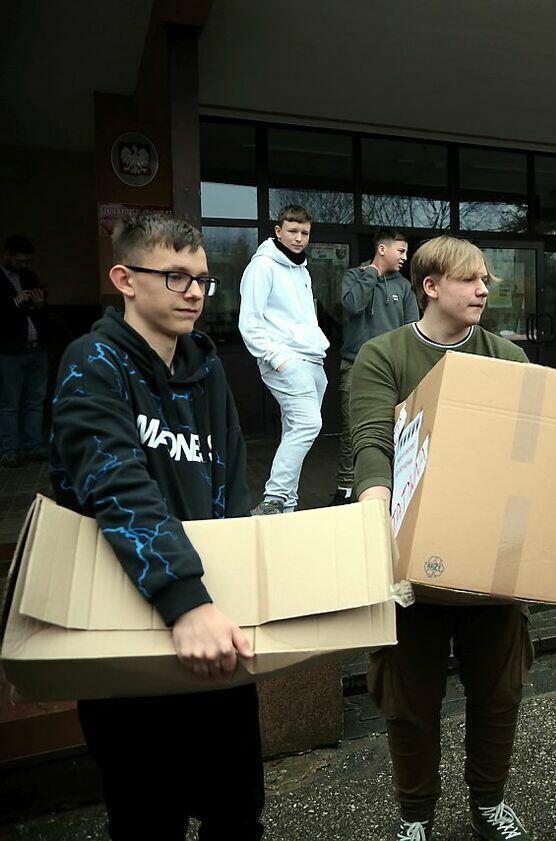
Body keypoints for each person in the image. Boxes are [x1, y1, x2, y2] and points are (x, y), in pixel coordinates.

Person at [48, 212, 263, 839]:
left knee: (237, 811)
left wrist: (235, 587)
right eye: (175, 277)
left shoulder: (208, 367)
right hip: (132, 619)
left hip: (213, 622)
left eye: (202, 279)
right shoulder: (92, 362)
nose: (194, 293)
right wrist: (184, 599)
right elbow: (115, 485)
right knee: (148, 818)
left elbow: (231, 480)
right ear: (125, 279)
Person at [351, 236, 535, 841]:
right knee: (409, 701)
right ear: (430, 286)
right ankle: (415, 815)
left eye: (486, 279)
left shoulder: (507, 357)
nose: (483, 290)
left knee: (499, 692)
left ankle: (488, 803)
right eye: (469, 279)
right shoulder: (383, 355)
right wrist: (375, 508)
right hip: (412, 566)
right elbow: (372, 442)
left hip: (491, 561)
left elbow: (528, 454)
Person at [238, 204, 329, 515]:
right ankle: (274, 498)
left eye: (304, 232)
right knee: (308, 424)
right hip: (287, 360)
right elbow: (249, 321)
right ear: (278, 232)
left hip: (313, 360)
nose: (299, 238)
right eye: (292, 231)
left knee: (296, 432)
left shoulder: (301, 269)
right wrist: (278, 358)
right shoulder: (262, 267)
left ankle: (286, 507)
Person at [332, 227, 418, 505]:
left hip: (393, 370)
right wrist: (372, 273)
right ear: (382, 249)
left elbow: (411, 329)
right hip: (355, 365)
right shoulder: (354, 276)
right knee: (353, 430)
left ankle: (391, 489)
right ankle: (345, 489)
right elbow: (353, 305)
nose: (404, 257)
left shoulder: (403, 286)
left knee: (396, 429)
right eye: (400, 251)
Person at [1, 234, 49, 467]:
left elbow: (41, 312)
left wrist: (39, 305)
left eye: (27, 261)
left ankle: (33, 447)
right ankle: (9, 451)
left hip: (36, 347)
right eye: (20, 260)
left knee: (35, 401)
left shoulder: (29, 276)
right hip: (10, 350)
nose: (24, 265)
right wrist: (14, 302)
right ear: (7, 255)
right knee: (10, 404)